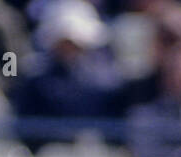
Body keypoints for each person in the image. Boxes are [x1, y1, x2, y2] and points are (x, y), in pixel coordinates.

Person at [11, 0, 124, 145]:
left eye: (74, 43)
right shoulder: (36, 80)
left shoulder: (108, 81)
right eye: (64, 42)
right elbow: (27, 129)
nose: (69, 48)